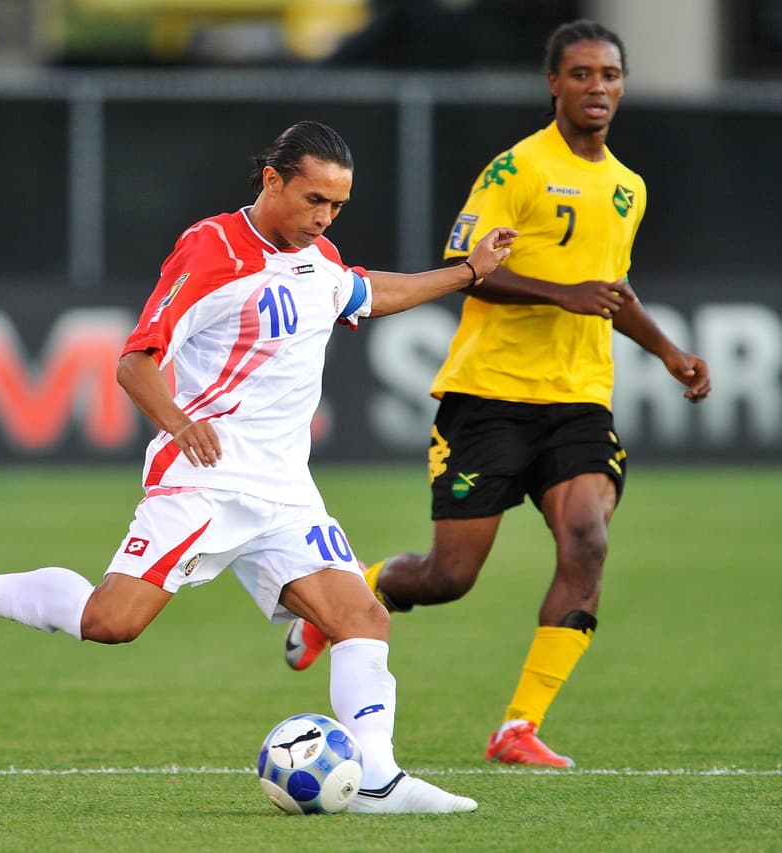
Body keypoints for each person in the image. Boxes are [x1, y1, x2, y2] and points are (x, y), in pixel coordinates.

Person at [0, 120, 515, 814]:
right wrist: (180, 422)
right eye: (314, 199)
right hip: (203, 480)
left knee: (363, 619)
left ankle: (378, 779)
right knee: (110, 621)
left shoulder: (318, 257)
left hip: (285, 490)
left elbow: (365, 292)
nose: (324, 217)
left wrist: (469, 271)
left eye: (337, 206)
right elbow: (134, 360)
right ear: (272, 180)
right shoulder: (211, 250)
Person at [282, 20, 711, 768]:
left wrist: (671, 352)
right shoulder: (517, 170)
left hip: (579, 399)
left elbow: (611, 290)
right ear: (554, 84)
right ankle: (360, 590)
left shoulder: (627, 188)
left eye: (609, 75)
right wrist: (560, 292)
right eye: (581, 74)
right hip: (488, 398)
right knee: (449, 577)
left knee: (587, 538)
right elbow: (465, 260)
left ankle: (518, 727)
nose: (597, 87)